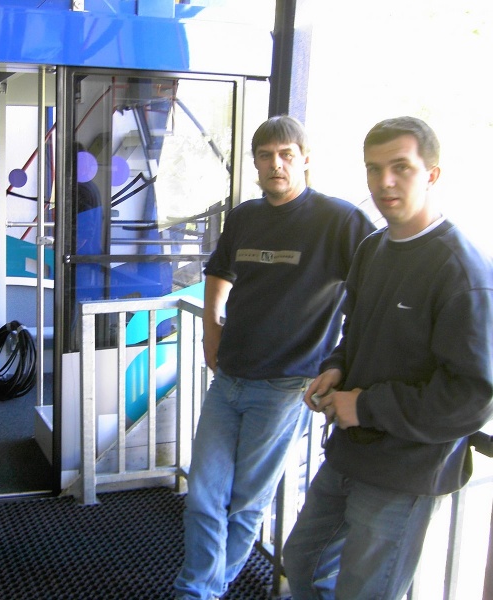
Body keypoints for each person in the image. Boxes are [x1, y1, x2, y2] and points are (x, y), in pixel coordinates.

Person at [283, 116, 493, 599]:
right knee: (302, 561)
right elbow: (354, 332)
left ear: (432, 174)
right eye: (373, 169)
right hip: (349, 452)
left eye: (401, 167)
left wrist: (366, 405)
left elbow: (472, 398)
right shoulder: (372, 249)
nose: (385, 182)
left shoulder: (462, 272)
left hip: (405, 470)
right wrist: (335, 368)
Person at [174, 115, 376, 600]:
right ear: (255, 164)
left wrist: (344, 362)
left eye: (286, 155)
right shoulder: (245, 216)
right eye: (265, 156)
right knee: (203, 495)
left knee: (245, 503)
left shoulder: (339, 220)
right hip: (230, 377)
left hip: (287, 386)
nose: (276, 164)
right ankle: (199, 589)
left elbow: (377, 288)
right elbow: (219, 272)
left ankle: (203, 590)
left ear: (305, 160)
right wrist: (211, 330)